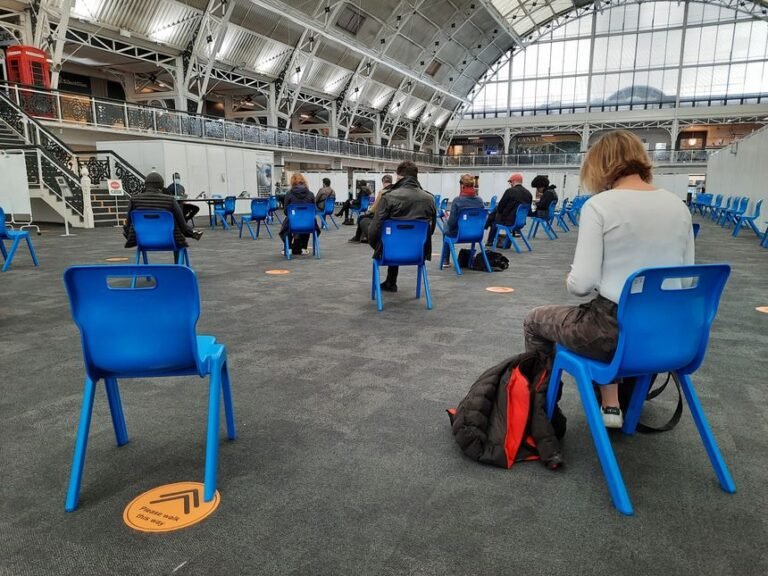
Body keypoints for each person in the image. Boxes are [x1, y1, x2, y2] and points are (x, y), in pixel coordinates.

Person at [522, 130, 695, 428]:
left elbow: (580, 285)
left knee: (535, 320)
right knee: (611, 312)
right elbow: (688, 280)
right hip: (670, 333)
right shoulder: (678, 206)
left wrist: (577, 275)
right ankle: (615, 401)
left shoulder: (600, 205)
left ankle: (539, 406)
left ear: (599, 165)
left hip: (611, 333)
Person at [368, 161, 436, 293]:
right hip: (418, 251)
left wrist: (376, 246)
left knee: (369, 223)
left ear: (399, 177)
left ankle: (390, 281)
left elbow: (375, 229)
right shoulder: (429, 199)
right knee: (397, 235)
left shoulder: (388, 196)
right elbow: (430, 230)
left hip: (391, 250)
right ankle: (391, 281)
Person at [123, 171, 203, 258]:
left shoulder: (134, 200)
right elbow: (183, 226)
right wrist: (192, 233)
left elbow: (128, 225)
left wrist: (129, 235)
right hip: (169, 240)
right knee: (179, 233)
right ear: (161, 185)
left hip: (142, 240)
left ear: (146, 185)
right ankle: (177, 266)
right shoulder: (170, 200)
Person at [279, 172, 321, 255]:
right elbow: (314, 210)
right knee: (309, 220)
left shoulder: (289, 194)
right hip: (308, 224)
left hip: (293, 224)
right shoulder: (311, 194)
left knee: (288, 224)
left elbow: (286, 211)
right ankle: (303, 247)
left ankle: (288, 247)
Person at [486, 173, 532, 246]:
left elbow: (501, 207)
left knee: (494, 219)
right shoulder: (529, 193)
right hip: (520, 222)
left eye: (510, 182)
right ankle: (487, 224)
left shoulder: (510, 191)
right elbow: (529, 211)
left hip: (509, 221)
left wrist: (500, 212)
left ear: (513, 181)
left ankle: (490, 241)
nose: (510, 184)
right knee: (495, 211)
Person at [349, 175, 392, 243]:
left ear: (383, 182)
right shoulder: (394, 190)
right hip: (390, 215)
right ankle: (363, 237)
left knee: (361, 218)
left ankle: (358, 237)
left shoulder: (382, 192)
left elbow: (375, 207)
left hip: (381, 215)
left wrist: (369, 211)